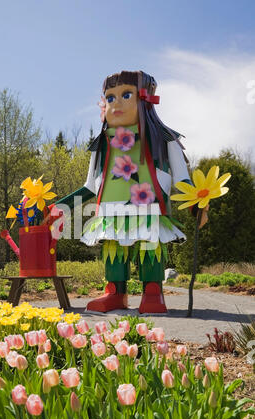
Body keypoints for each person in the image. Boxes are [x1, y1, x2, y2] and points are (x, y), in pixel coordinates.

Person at [56, 70, 191, 313]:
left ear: (146, 99)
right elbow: (90, 186)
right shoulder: (102, 144)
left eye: (126, 94)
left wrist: (197, 199)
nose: (115, 103)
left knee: (150, 245)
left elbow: (182, 178)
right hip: (111, 211)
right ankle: (115, 292)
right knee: (113, 249)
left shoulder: (163, 139)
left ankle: (153, 292)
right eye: (109, 97)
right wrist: (59, 208)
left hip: (150, 208)